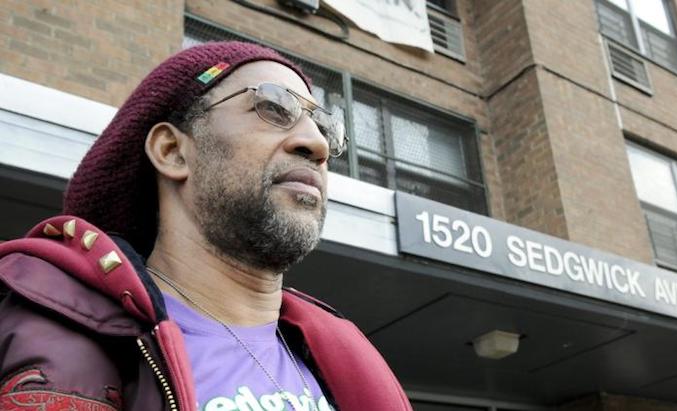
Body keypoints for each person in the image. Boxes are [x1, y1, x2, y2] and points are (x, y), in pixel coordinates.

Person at [0, 41, 412, 411]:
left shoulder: (349, 361)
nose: (317, 145)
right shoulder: (48, 341)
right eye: (274, 107)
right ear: (172, 151)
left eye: (325, 129)